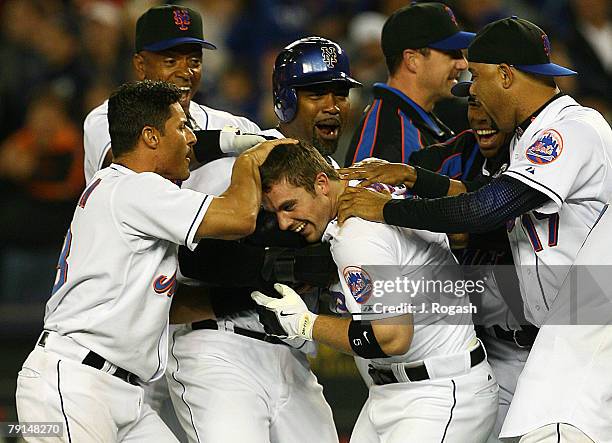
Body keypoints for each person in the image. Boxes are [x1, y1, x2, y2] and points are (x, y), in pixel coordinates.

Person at [336, 17, 612, 442]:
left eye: (477, 76)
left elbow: (487, 209)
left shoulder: (568, 128)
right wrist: (416, 177)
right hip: (559, 328)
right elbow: (484, 191)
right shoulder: (529, 134)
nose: (472, 88)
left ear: (505, 74)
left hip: (589, 317)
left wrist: (388, 210)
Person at [15, 80, 291, 442]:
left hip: (123, 393)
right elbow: (240, 217)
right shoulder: (134, 188)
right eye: (181, 127)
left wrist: (250, 298)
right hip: (73, 385)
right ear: (150, 136)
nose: (192, 139)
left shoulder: (128, 194)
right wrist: (254, 155)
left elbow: (169, 306)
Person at [166, 36, 361, 443]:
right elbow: (191, 257)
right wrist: (277, 267)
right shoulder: (244, 161)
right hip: (222, 348)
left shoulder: (334, 177)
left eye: (339, 92)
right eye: (316, 92)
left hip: (293, 356)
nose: (332, 103)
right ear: (286, 100)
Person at [252, 142, 498, 442]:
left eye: (289, 206)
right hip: (394, 391)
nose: (283, 222)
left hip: (437, 395)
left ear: (321, 183)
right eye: (274, 211)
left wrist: (303, 323)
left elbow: (391, 338)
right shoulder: (368, 170)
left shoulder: (354, 235)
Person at [344, 2, 474, 166]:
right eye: (452, 53)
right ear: (412, 60)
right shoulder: (387, 136)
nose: (463, 64)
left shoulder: (412, 120)